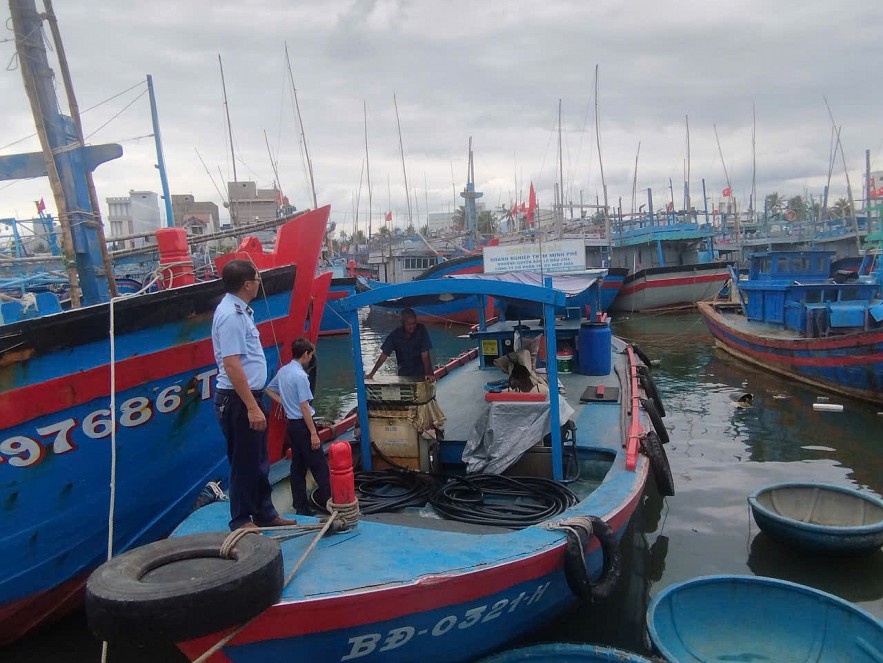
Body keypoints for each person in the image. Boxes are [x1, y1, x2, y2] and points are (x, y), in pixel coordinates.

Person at [212, 259, 296, 530]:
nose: (259, 284)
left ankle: (264, 513)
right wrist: (251, 406)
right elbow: (231, 364)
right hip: (238, 400)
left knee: (259, 460)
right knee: (244, 461)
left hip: (248, 397)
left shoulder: (240, 311)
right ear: (247, 284)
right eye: (257, 280)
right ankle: (240, 519)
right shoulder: (231, 316)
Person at [266, 338, 331, 516]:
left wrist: (285, 402)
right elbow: (304, 407)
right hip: (303, 425)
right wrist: (313, 433)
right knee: (319, 465)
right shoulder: (301, 376)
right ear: (305, 354)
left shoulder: (283, 371)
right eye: (311, 354)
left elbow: (268, 389)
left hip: (292, 426)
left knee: (298, 467)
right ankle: (330, 503)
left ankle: (301, 507)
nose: (311, 358)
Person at [365, 308, 435, 382]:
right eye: (409, 324)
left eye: (414, 323)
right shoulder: (395, 336)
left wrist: (427, 373)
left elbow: (425, 354)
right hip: (404, 375)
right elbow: (384, 355)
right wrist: (371, 374)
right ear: (402, 323)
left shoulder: (421, 329)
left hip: (422, 374)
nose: (412, 326)